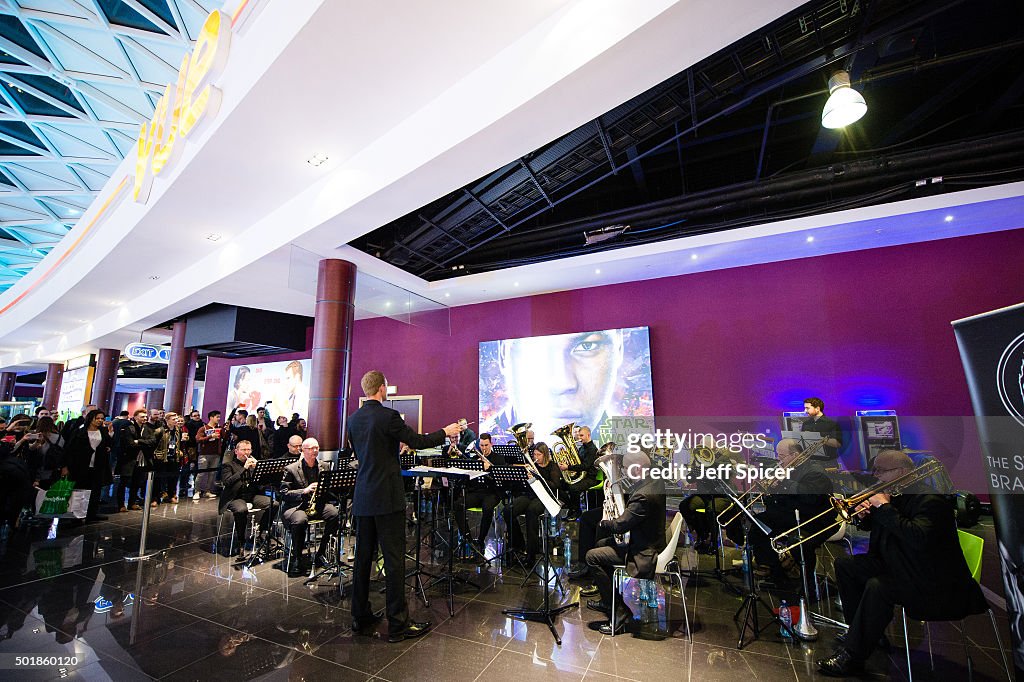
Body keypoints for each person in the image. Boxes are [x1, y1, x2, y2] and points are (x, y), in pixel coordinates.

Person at [817, 450, 988, 676]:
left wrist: (884, 508)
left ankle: (852, 656)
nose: (876, 476)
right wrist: (866, 517)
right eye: (874, 470)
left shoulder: (931, 500)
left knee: (878, 586)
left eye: (881, 471)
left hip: (931, 578)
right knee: (846, 566)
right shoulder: (895, 494)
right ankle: (863, 633)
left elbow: (917, 538)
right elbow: (890, 529)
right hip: (901, 565)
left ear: (902, 472)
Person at [347, 370, 460, 643]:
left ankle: (359, 616)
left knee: (363, 559)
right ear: (382, 389)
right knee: (395, 561)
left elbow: (368, 453)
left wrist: (389, 451)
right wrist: (445, 432)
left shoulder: (353, 419)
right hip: (386, 497)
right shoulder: (389, 416)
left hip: (363, 497)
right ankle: (398, 624)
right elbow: (419, 442)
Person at [481, 329, 625, 442]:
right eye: (535, 349)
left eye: (587, 346)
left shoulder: (634, 444)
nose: (561, 384)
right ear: (503, 355)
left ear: (619, 348)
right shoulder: (483, 438)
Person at [584, 451, 666, 635]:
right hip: (649, 540)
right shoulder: (655, 480)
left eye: (627, 469)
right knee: (600, 545)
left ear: (638, 469)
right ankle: (608, 601)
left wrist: (604, 521)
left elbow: (621, 525)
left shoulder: (643, 496)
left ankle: (620, 613)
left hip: (644, 551)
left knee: (591, 557)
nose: (624, 473)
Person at [742, 438, 833, 585]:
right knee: (758, 523)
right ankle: (770, 566)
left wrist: (784, 482)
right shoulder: (790, 468)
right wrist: (772, 488)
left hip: (812, 518)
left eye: (782, 456)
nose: (779, 460)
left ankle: (802, 579)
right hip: (792, 512)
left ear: (795, 454)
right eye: (778, 455)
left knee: (796, 540)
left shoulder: (815, 470)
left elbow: (811, 497)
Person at [281, 438, 339, 573]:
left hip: (317, 504)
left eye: (317, 448)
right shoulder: (291, 469)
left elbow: (330, 490)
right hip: (297, 506)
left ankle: (321, 552)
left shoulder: (324, 466)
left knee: (334, 514)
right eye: (311, 448)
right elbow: (284, 493)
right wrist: (304, 490)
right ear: (303, 450)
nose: (315, 451)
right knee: (300, 521)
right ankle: (297, 557)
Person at [509, 441, 562, 565]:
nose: (536, 457)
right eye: (534, 455)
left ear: (545, 455)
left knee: (531, 512)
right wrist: (526, 477)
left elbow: (555, 485)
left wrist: (538, 478)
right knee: (508, 510)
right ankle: (519, 543)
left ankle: (531, 553)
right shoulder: (533, 465)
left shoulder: (553, 466)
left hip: (545, 496)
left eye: (538, 455)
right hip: (531, 494)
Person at [453, 433, 505, 555]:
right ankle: (468, 539)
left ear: (491, 444)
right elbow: (468, 479)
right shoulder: (475, 459)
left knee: (487, 508)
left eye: (486, 445)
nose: (484, 448)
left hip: (492, 493)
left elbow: (501, 481)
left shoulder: (499, 459)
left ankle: (481, 539)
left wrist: (490, 469)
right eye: (481, 445)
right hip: (477, 492)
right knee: (458, 504)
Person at [218, 440, 271, 560]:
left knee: (274, 504)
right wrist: (244, 469)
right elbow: (227, 482)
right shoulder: (228, 465)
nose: (247, 452)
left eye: (249, 450)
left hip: (251, 496)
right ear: (236, 451)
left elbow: (262, 484)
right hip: (235, 497)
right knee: (241, 510)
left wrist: (259, 470)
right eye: (243, 450)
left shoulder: (253, 465)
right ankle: (241, 541)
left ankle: (261, 532)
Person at [60, 409, 111, 523]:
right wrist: (65, 466)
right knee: (79, 490)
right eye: (97, 418)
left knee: (95, 490)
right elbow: (69, 449)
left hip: (97, 465)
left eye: (102, 418)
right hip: (79, 466)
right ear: (91, 418)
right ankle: (76, 515)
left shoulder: (102, 431)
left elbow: (107, 444)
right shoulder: (80, 432)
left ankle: (91, 514)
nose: (100, 421)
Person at [558, 425, 600, 520]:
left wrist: (568, 467)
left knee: (573, 488)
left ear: (588, 435)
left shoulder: (592, 450)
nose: (579, 438)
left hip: (590, 478)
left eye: (582, 435)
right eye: (579, 435)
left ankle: (577, 511)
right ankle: (571, 506)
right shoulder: (582, 448)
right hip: (581, 476)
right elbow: (577, 462)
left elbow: (585, 466)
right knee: (560, 485)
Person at [800, 397, 842, 462]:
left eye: (807, 408)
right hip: (809, 462)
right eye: (805, 408)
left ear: (817, 409)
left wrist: (818, 438)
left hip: (828, 462)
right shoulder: (805, 424)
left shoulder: (831, 423)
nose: (805, 411)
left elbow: (838, 444)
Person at [194, 411, 224, 500]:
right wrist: (210, 436)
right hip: (204, 454)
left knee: (212, 473)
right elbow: (198, 439)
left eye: (219, 417)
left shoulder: (220, 428)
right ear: (211, 417)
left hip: (216, 454)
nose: (218, 419)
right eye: (217, 417)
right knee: (201, 473)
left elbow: (224, 437)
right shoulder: (203, 428)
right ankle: (197, 491)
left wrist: (225, 430)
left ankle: (208, 491)